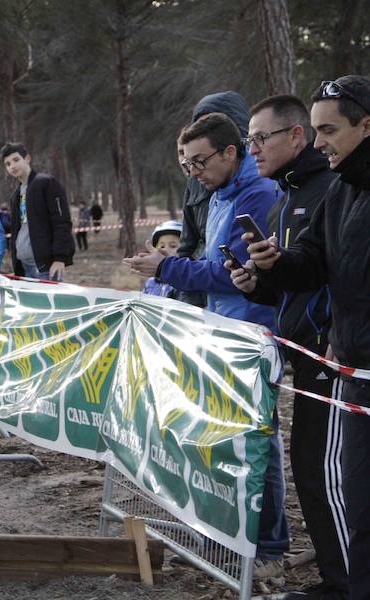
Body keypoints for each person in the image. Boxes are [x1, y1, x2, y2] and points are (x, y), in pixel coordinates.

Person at [123, 112, 290, 585]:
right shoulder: (219, 195)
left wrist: (166, 268)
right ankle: (225, 534)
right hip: (221, 331)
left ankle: (272, 548)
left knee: (258, 444)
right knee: (223, 439)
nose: (193, 172)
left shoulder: (258, 193)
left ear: (230, 152)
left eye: (199, 161)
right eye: (185, 164)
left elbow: (232, 276)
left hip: (252, 335)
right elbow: (213, 265)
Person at [241, 76, 370, 600]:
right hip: (355, 373)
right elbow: (312, 264)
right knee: (354, 494)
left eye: (329, 130)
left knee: (345, 489)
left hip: (350, 365)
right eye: (315, 131)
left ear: (367, 125)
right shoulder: (340, 190)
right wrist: (273, 265)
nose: (320, 143)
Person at [177, 91, 252, 309]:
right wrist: (188, 301)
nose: (195, 172)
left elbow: (235, 270)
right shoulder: (197, 184)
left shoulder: (258, 188)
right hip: (206, 300)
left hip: (243, 312)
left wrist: (166, 267)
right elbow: (188, 246)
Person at [1, 142, 74, 281]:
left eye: (16, 160)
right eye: (8, 164)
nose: (12, 166)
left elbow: (61, 222)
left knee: (52, 303)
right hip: (24, 267)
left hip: (46, 267)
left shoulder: (46, 183)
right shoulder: (15, 195)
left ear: (27, 158)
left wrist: (60, 258)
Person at [142, 220, 182, 299]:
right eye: (162, 246)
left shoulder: (185, 283)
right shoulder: (150, 283)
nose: (166, 249)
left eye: (173, 246)